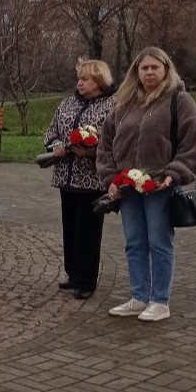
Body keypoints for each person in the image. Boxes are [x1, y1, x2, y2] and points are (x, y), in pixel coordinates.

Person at [97, 47, 196, 322]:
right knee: (134, 242)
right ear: (137, 72)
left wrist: (174, 173)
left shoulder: (180, 101)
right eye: (144, 68)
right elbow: (106, 144)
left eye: (155, 67)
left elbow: (191, 144)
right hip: (127, 187)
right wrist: (110, 178)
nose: (149, 72)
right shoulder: (124, 103)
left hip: (160, 186)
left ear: (166, 69)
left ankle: (159, 301)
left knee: (159, 242)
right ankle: (139, 297)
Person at [43, 59, 115, 301]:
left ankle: (87, 280)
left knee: (88, 232)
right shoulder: (68, 103)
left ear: (99, 80)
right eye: (79, 79)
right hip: (66, 176)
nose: (80, 83)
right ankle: (73, 274)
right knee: (70, 228)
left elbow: (115, 139)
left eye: (85, 79)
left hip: (92, 180)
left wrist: (91, 151)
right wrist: (55, 145)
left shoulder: (112, 105)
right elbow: (52, 130)